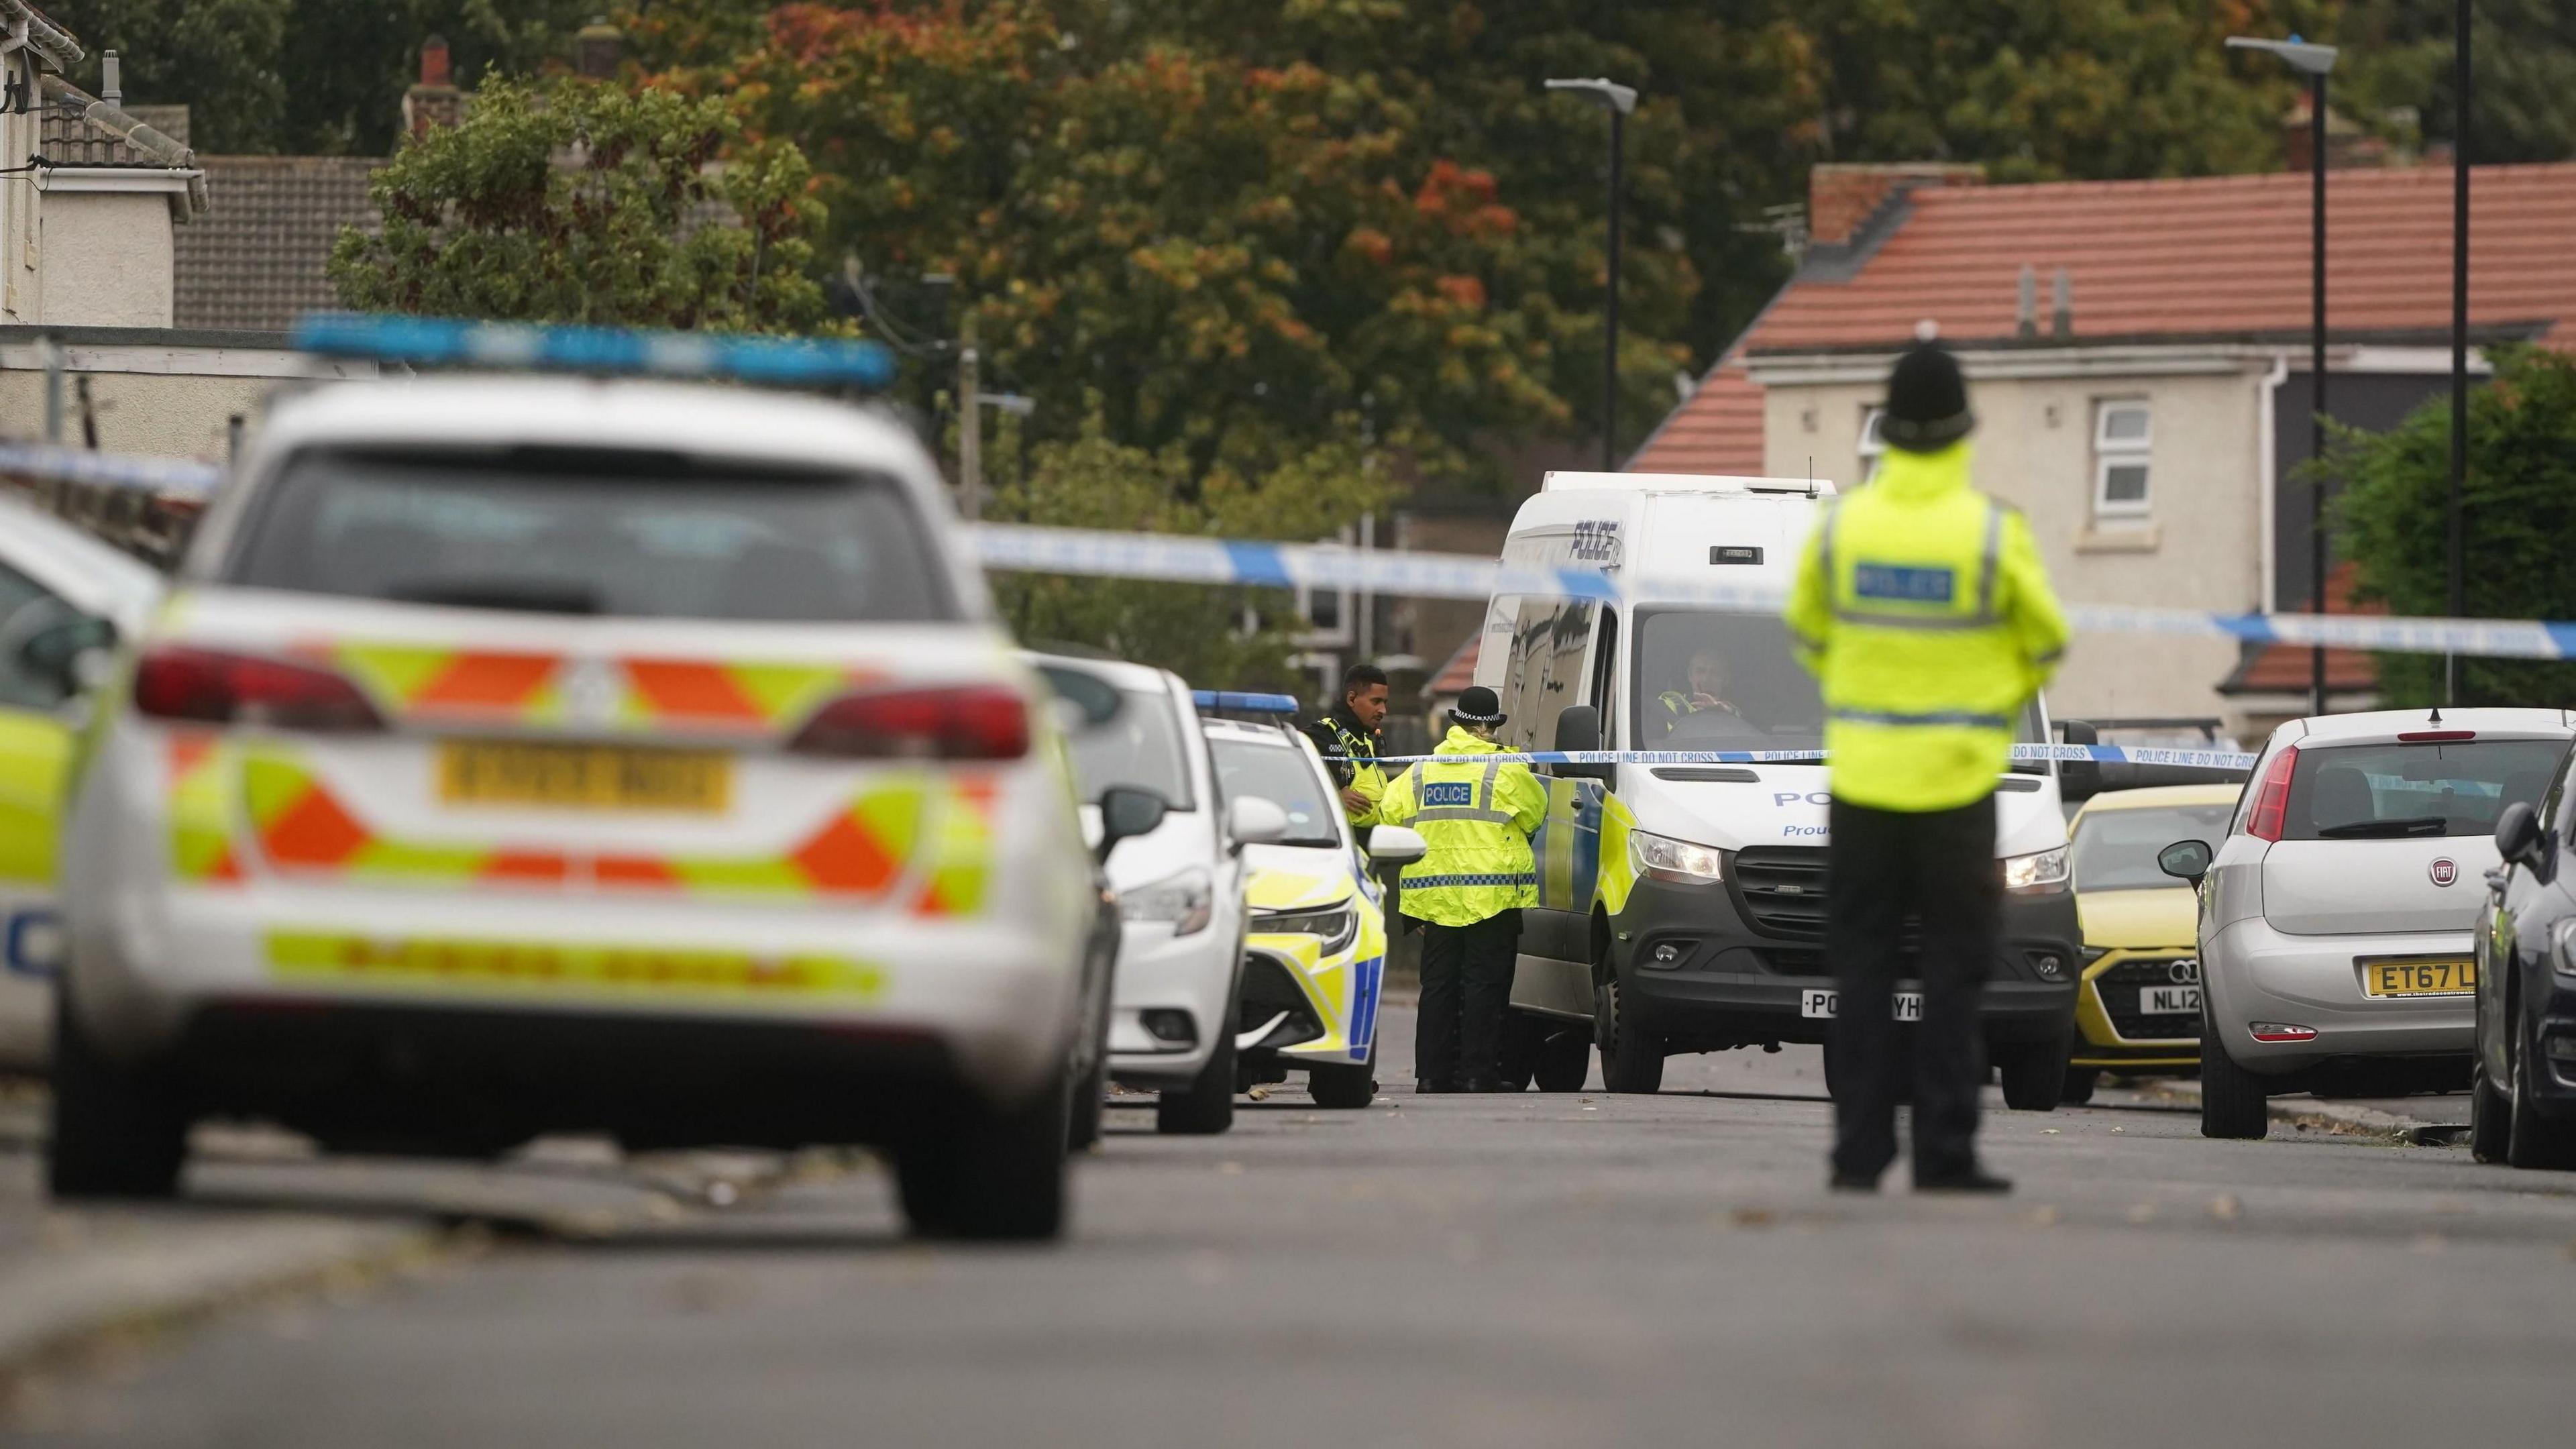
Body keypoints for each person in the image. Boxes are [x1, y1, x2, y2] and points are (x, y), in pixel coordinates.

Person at [1784, 340, 2069, 1195]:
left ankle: (1859, 1152)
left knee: (1863, 966)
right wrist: (1986, 701)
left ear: (1886, 428)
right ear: (1961, 430)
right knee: (1954, 969)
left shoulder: (1842, 528)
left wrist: (1861, 692)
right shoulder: (1991, 531)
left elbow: (1806, 632)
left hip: (1865, 783)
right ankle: (1946, 1151)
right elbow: (2047, 640)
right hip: (1957, 787)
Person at [1375, 686, 1546, 1093]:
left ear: (1458, 723)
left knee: (1438, 988)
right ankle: (1476, 1074)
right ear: (1488, 726)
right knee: (1484, 987)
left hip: (1433, 898)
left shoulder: (1420, 770)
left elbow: (1387, 814)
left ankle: (1432, 1076)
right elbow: (1535, 816)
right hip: (1492, 897)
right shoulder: (1507, 769)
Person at [1301, 663, 1390, 827]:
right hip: (1340, 845)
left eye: (1384, 702)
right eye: (1376, 702)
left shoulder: (1365, 739)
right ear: (1352, 699)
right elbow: (1291, 781)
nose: (1383, 710)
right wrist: (1332, 793)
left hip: (1375, 843)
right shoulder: (1320, 735)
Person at [1656, 647, 1743, 733]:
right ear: (1690, 675)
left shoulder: (1733, 711)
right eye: (1700, 671)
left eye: (1715, 672)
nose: (1706, 679)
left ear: (1726, 679)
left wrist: (1724, 713)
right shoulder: (1671, 705)